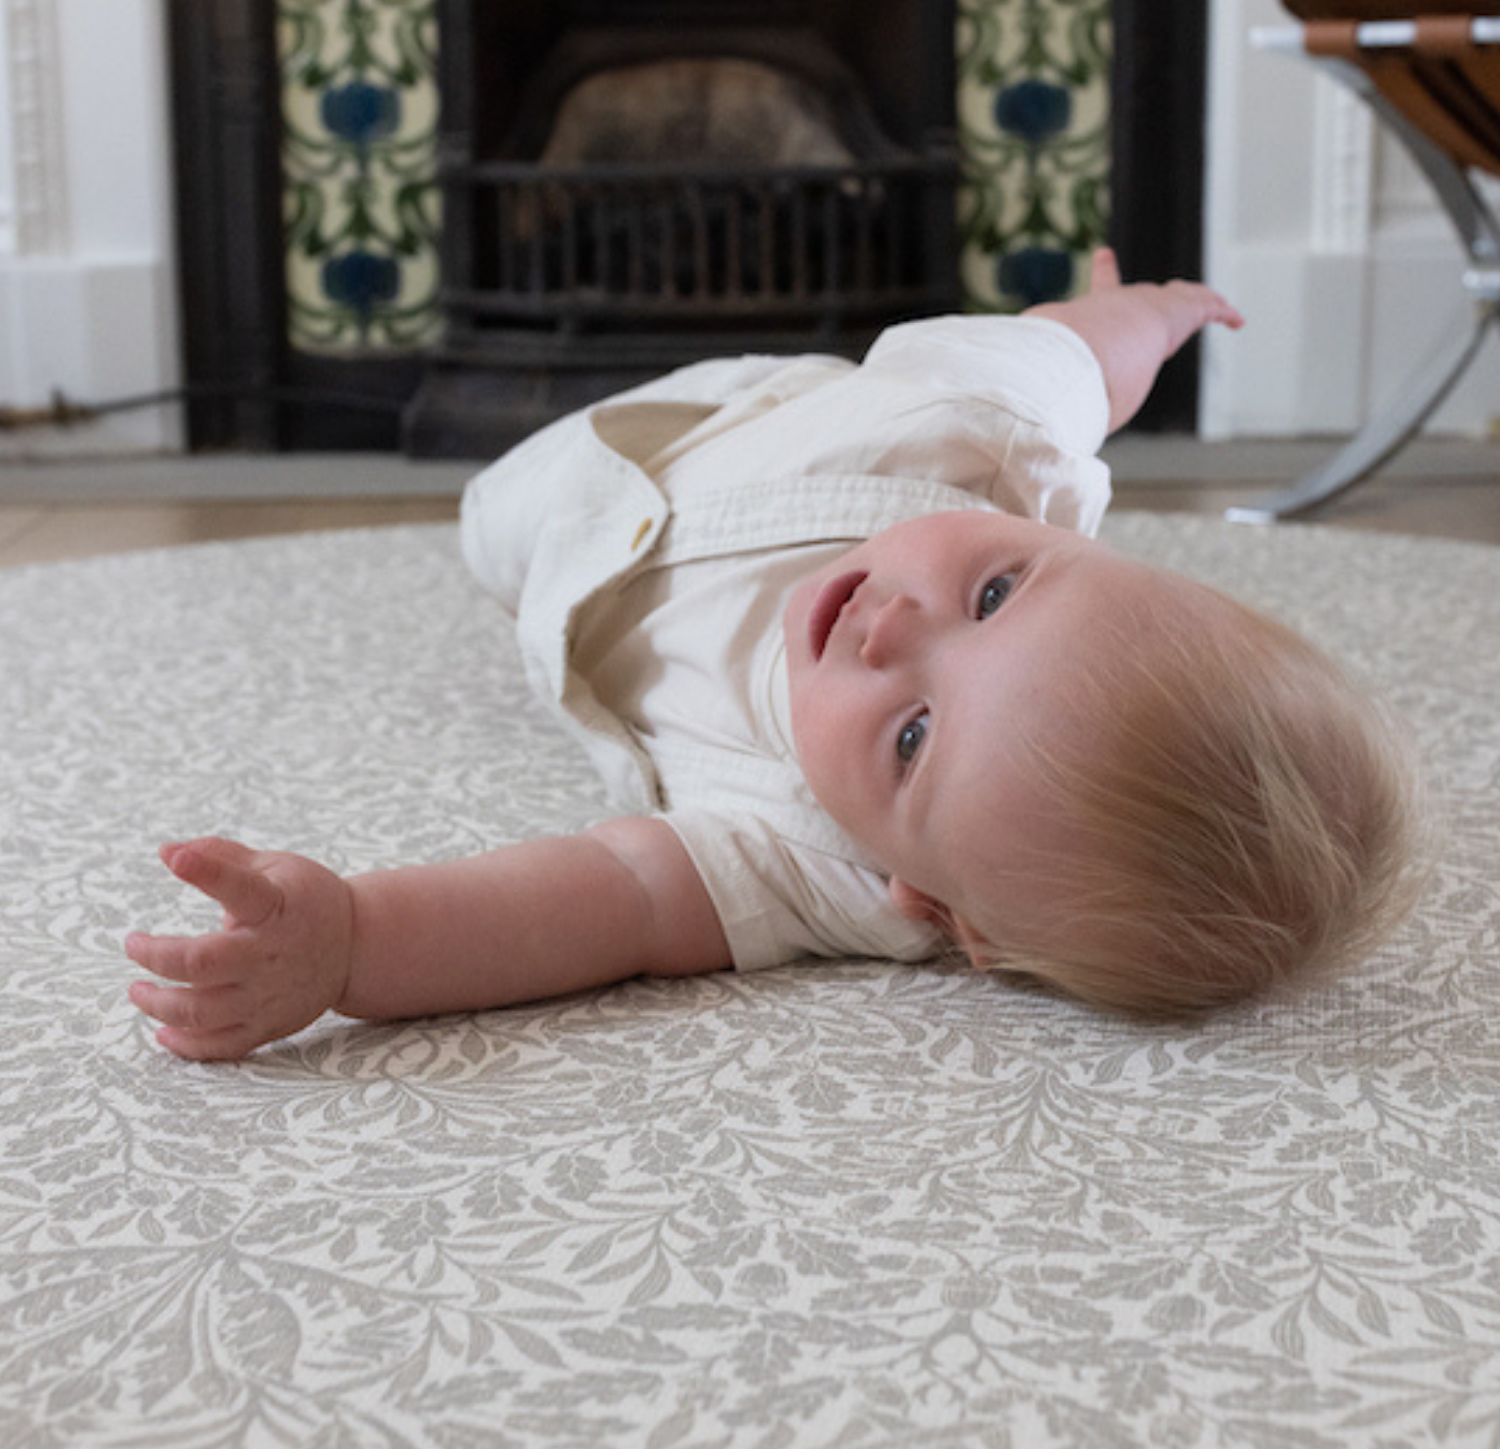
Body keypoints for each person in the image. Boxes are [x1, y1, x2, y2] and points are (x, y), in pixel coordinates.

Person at [125, 251, 1425, 1062]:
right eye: (995, 586)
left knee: (481, 518)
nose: (893, 625)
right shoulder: (980, 434)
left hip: (547, 562)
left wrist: (355, 942)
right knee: (1057, 358)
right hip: (698, 420)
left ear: (941, 912)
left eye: (914, 738)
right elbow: (1077, 365)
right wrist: (1129, 311)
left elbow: (606, 898)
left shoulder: (821, 863)